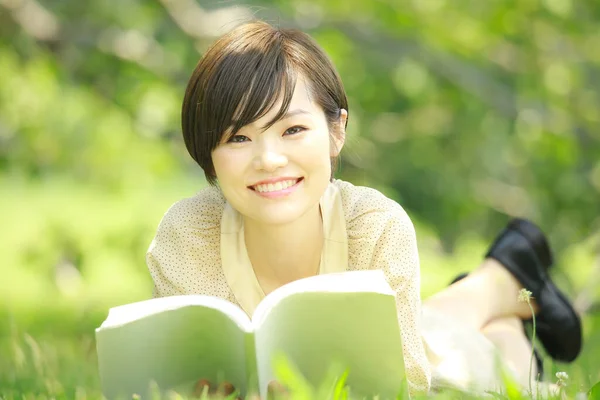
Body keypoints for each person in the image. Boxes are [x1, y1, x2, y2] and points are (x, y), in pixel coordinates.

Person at [145, 20, 582, 397]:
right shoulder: (188, 235)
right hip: (415, 341)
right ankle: (504, 279)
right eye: (238, 138)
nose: (269, 159)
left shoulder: (375, 227)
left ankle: (505, 312)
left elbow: (404, 383)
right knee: (427, 333)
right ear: (208, 151)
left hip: (439, 366)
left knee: (468, 370)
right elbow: (186, 380)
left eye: (293, 129)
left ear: (337, 131)